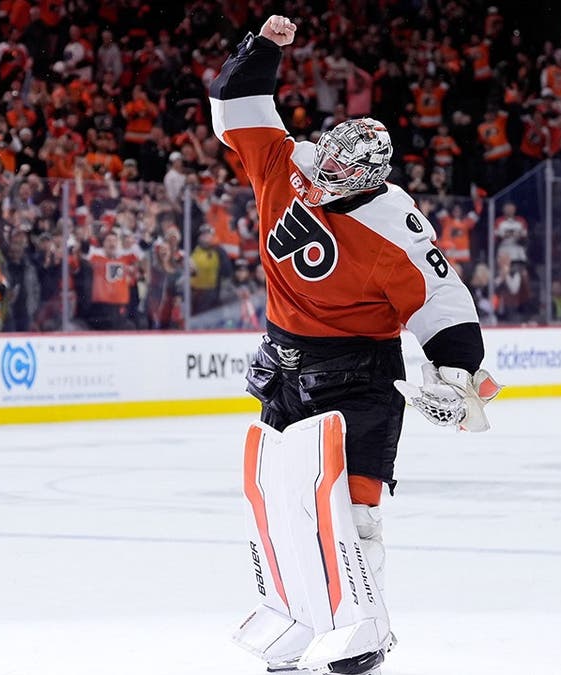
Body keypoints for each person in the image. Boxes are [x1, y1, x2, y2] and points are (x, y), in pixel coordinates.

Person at [211, 16, 498, 675]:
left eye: (343, 170)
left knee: (351, 507)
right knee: (280, 497)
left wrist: (456, 372)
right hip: (284, 364)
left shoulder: (395, 219)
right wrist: (262, 49)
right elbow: (235, 105)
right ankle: (296, 615)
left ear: (370, 177)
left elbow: (441, 297)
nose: (326, 174)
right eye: (327, 159)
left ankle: (363, 631)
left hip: (359, 373)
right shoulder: (288, 162)